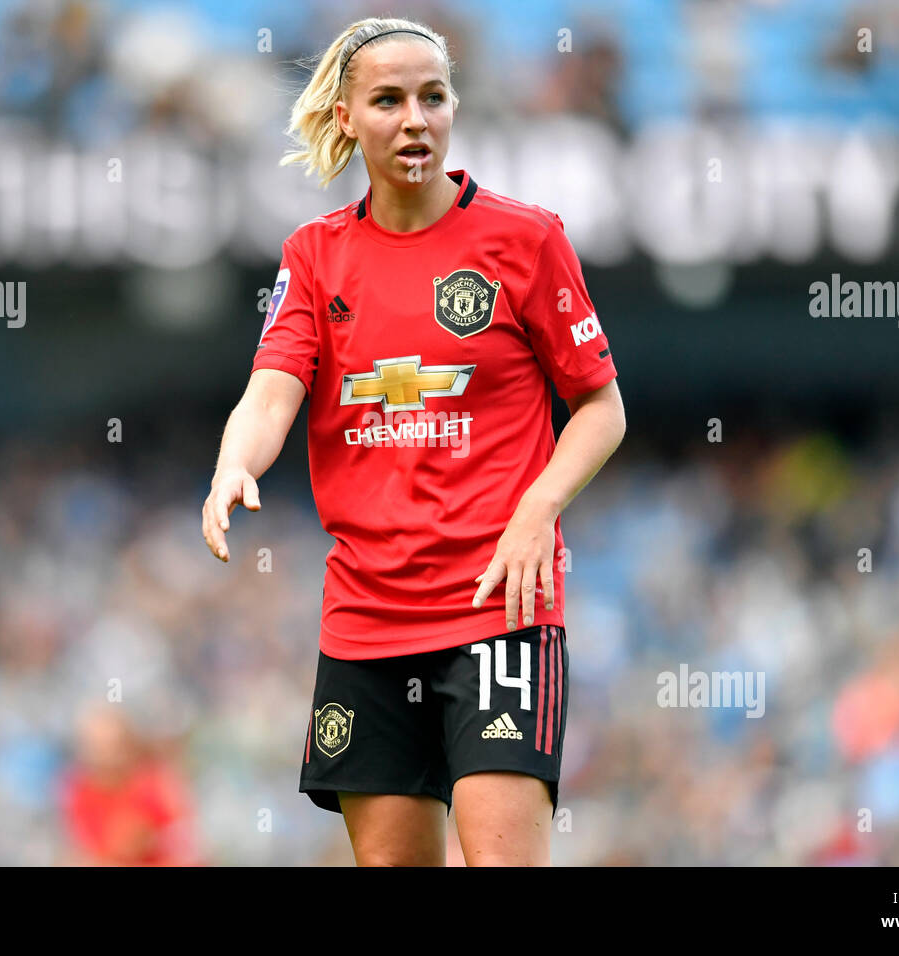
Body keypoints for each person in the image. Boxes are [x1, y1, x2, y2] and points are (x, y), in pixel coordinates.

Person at [203, 16, 625, 866]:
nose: (415, 119)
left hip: (500, 611)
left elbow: (602, 407)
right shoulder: (315, 256)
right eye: (389, 100)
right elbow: (273, 388)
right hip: (366, 621)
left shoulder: (525, 239)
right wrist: (230, 467)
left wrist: (538, 506)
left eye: (432, 97)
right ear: (348, 118)